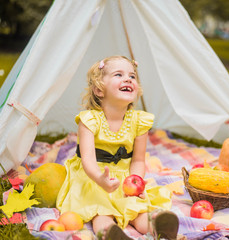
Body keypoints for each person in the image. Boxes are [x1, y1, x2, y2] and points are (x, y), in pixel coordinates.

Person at [56, 56, 179, 240]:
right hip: (93, 176)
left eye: (132, 76)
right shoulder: (89, 120)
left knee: (136, 207)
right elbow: (87, 159)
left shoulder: (139, 121)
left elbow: (137, 159)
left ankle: (158, 226)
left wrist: (135, 180)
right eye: (118, 75)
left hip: (124, 176)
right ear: (99, 89)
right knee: (100, 209)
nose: (128, 79)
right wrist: (100, 179)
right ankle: (109, 233)